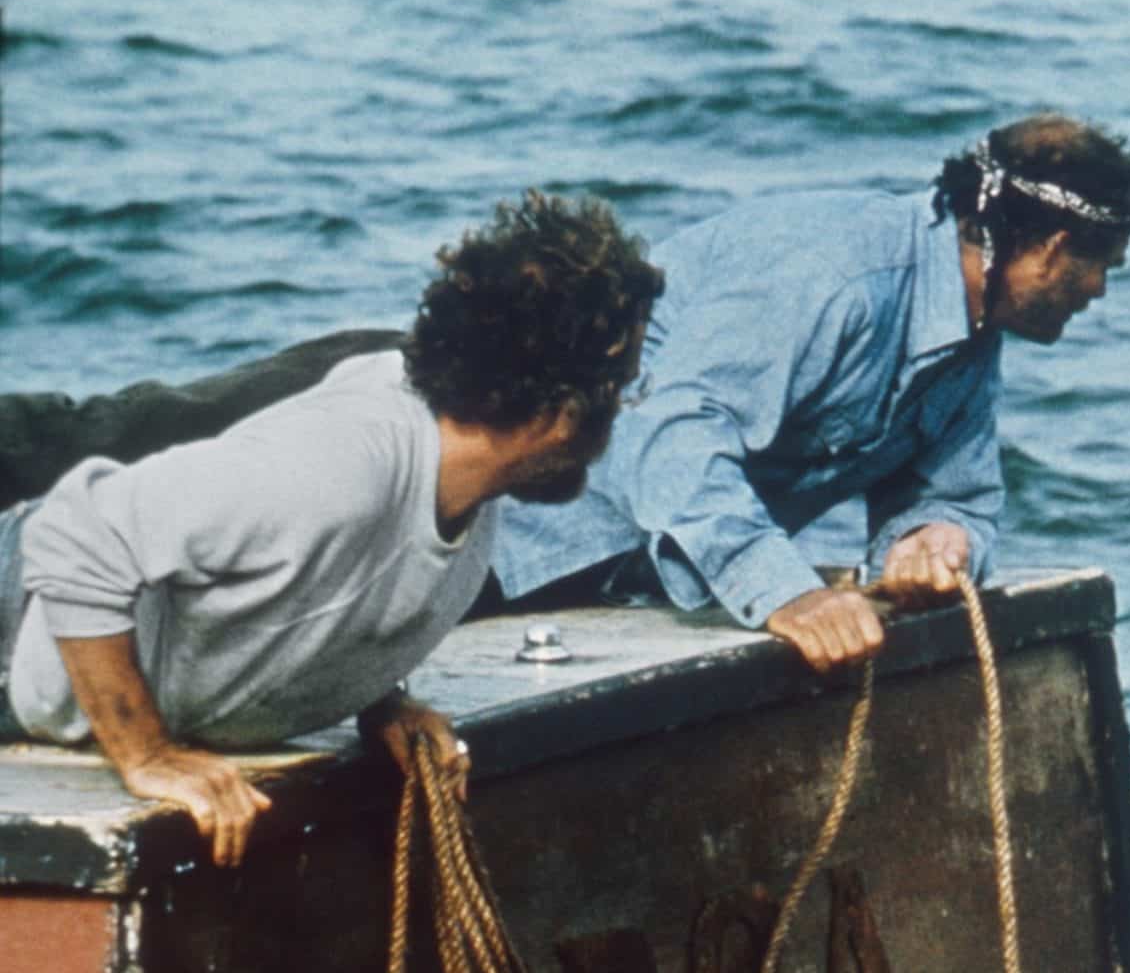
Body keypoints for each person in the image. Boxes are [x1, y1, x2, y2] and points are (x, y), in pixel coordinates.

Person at [0, 192, 664, 868]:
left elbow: (331, 578)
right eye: (624, 388)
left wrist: (379, 695)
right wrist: (146, 755)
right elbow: (78, 534)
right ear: (559, 411)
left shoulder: (465, 478)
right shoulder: (339, 464)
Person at [483, 113, 1130, 672]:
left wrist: (934, 539)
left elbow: (957, 496)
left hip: (628, 595)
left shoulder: (972, 334)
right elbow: (675, 430)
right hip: (503, 543)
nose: (1099, 293)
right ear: (1055, 249)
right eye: (1102, 268)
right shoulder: (840, 275)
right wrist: (785, 594)